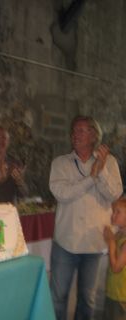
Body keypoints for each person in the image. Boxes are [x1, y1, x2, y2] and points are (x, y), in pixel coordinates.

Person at [49, 115, 123, 320]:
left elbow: (115, 194)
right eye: (73, 131)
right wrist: (91, 177)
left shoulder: (110, 162)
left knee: (87, 298)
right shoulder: (60, 163)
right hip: (66, 242)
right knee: (58, 296)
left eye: (80, 131)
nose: (74, 135)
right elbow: (62, 194)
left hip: (93, 242)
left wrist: (100, 172)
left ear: (94, 135)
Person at [103, 197, 126, 320]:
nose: (113, 215)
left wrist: (111, 243)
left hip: (121, 295)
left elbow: (116, 268)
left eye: (118, 212)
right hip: (113, 292)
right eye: (113, 211)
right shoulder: (118, 235)